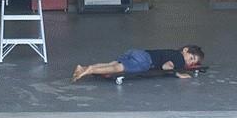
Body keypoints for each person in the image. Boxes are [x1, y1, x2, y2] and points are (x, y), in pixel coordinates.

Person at [72, 45, 204, 83]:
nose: (190, 62)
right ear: (185, 50)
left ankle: (83, 67)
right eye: (191, 58)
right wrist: (178, 73)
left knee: (112, 63)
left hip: (138, 52)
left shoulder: (171, 52)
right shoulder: (179, 59)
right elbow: (166, 66)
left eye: (193, 62)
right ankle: (88, 70)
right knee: (116, 68)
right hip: (145, 61)